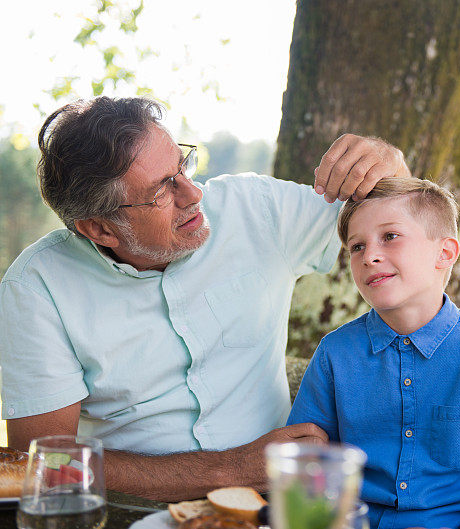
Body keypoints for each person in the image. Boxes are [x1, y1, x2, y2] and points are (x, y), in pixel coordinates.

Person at [0, 96, 410, 501]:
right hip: (131, 513)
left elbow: (402, 217)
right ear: (100, 229)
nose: (193, 193)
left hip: (276, 505)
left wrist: (388, 163)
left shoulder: (255, 209)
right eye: (162, 191)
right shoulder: (37, 288)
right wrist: (232, 469)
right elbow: (45, 461)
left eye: (182, 166)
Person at [287, 178, 460, 529]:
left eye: (390, 236)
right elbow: (306, 467)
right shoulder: (335, 354)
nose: (369, 256)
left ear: (444, 253)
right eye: (356, 246)